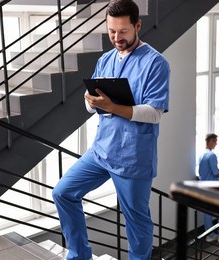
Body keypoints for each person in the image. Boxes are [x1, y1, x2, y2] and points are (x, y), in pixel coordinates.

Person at [52, 0, 170, 259]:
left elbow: (154, 113)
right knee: (62, 193)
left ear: (137, 26)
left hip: (133, 157)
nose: (117, 37)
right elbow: (91, 107)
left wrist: (111, 105)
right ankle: (79, 254)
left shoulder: (156, 63)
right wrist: (92, 102)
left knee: (137, 224)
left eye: (123, 31)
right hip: (102, 150)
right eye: (111, 31)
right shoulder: (105, 59)